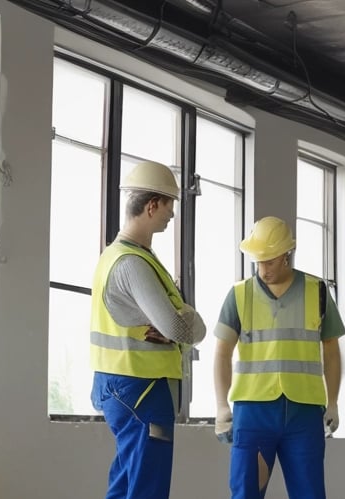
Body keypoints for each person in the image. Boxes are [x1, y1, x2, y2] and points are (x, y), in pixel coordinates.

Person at [89, 160, 207, 499]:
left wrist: (181, 320)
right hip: (139, 387)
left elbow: (178, 323)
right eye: (170, 205)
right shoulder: (132, 263)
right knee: (147, 487)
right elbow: (178, 325)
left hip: (123, 385)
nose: (172, 214)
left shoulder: (121, 257)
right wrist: (184, 319)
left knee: (127, 482)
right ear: (152, 205)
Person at [213, 216, 345, 499]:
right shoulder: (239, 295)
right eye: (258, 262)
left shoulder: (317, 291)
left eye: (270, 261)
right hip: (253, 412)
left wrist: (333, 402)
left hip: (304, 412)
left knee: (310, 494)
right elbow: (222, 353)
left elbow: (332, 351)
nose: (263, 270)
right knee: (245, 493)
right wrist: (221, 406)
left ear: (287, 255)